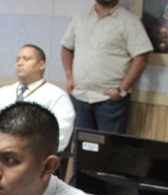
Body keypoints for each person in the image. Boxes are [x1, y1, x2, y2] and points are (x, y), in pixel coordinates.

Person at [60, 0, 152, 134]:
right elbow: (66, 47)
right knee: (82, 144)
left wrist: (121, 89)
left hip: (110, 100)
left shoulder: (129, 21)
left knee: (110, 145)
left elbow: (141, 58)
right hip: (80, 96)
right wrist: (69, 77)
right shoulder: (81, 17)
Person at [0, 45, 75, 153]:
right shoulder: (3, 93)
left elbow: (59, 138)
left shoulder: (57, 97)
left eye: (26, 59)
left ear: (41, 65)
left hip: (33, 157)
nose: (20, 63)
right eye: (17, 60)